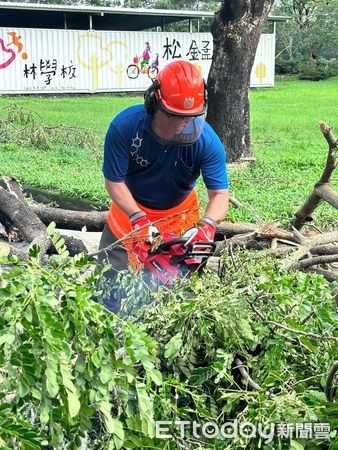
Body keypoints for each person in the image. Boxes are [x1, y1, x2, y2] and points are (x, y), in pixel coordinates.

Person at [98, 60, 229, 312]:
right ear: (154, 101)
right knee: (107, 287)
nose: (181, 124)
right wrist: (137, 218)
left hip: (179, 219)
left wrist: (208, 225)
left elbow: (220, 195)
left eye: (189, 117)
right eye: (174, 115)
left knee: (173, 298)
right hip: (129, 214)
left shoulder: (207, 141)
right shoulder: (125, 127)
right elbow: (114, 182)